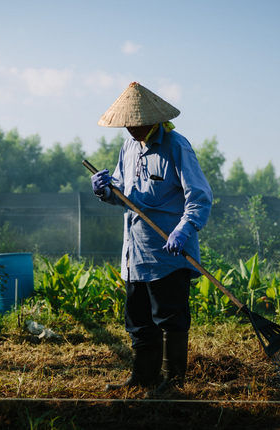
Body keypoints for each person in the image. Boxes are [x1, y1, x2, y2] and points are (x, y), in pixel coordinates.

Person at [92, 82, 212, 397]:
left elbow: (199, 197)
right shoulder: (129, 147)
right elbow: (123, 194)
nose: (131, 129)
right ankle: (142, 377)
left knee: (170, 318)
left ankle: (172, 382)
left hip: (168, 254)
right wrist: (105, 190)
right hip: (135, 253)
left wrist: (184, 229)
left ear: (152, 119)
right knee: (139, 320)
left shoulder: (176, 146)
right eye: (126, 123)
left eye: (136, 123)